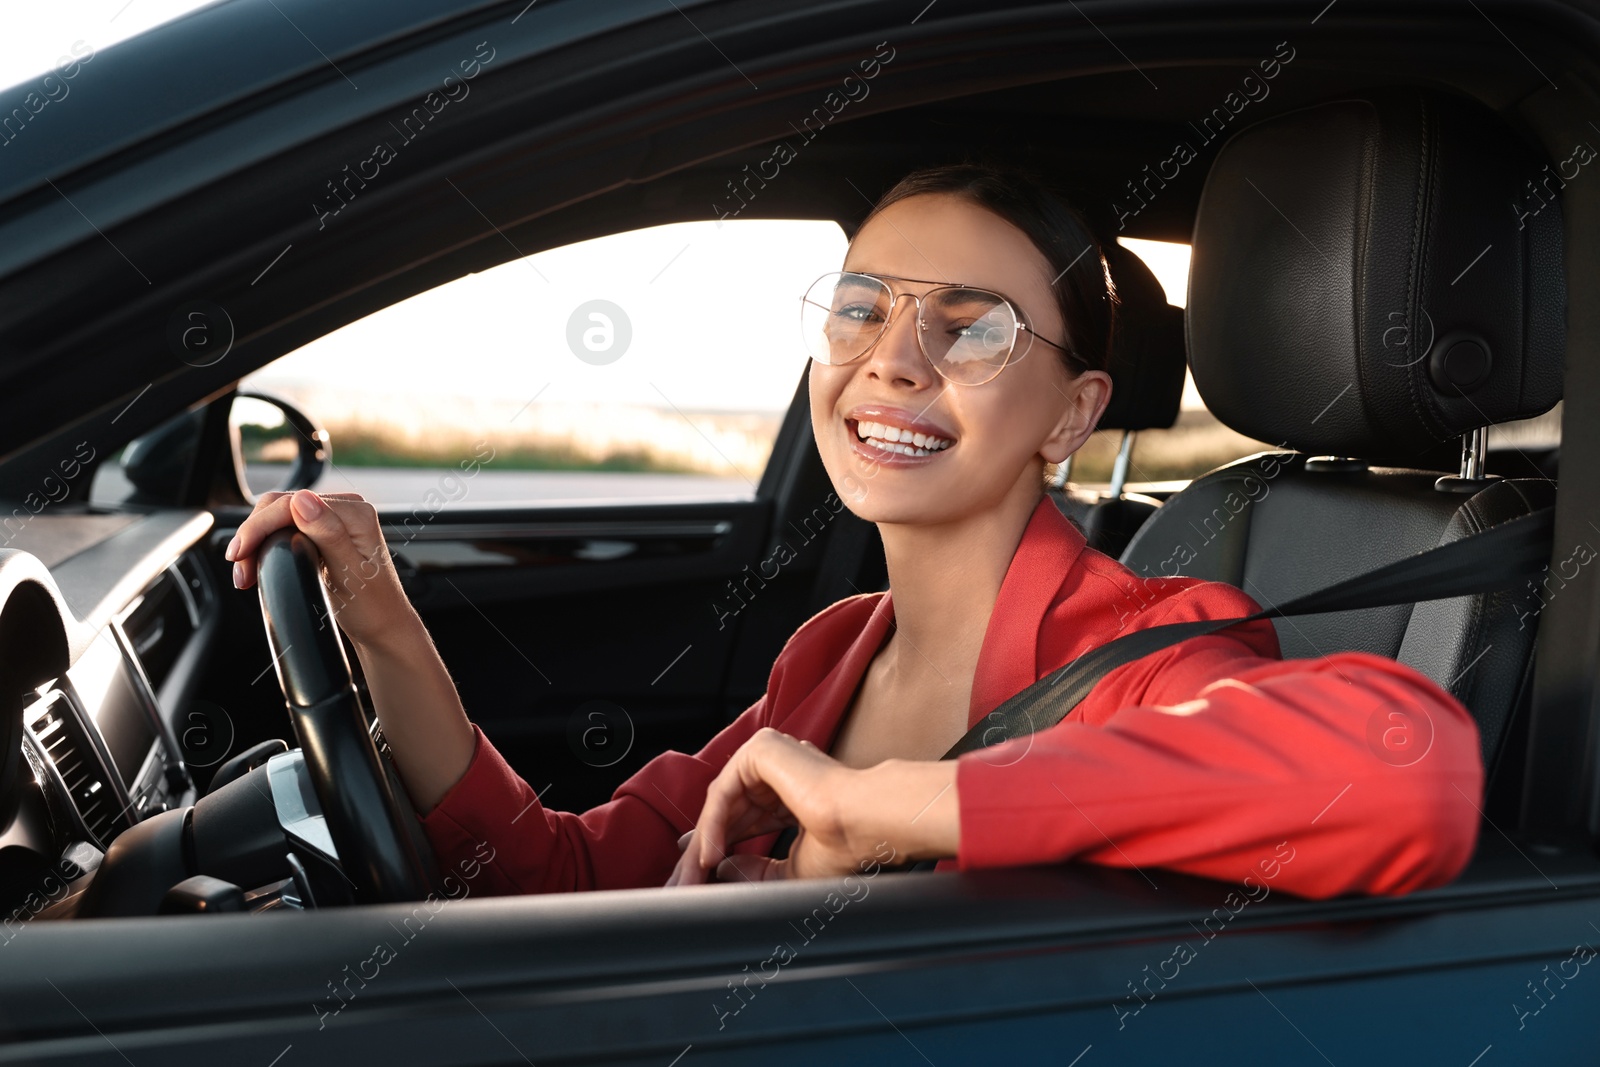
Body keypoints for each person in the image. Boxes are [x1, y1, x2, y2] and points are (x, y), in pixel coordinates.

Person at [224, 162, 1483, 900]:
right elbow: (560, 874)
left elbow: (1409, 772)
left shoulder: (1143, 653)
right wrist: (380, 611)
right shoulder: (831, 652)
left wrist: (896, 806)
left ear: (1072, 413)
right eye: (862, 308)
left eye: (973, 326)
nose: (893, 360)